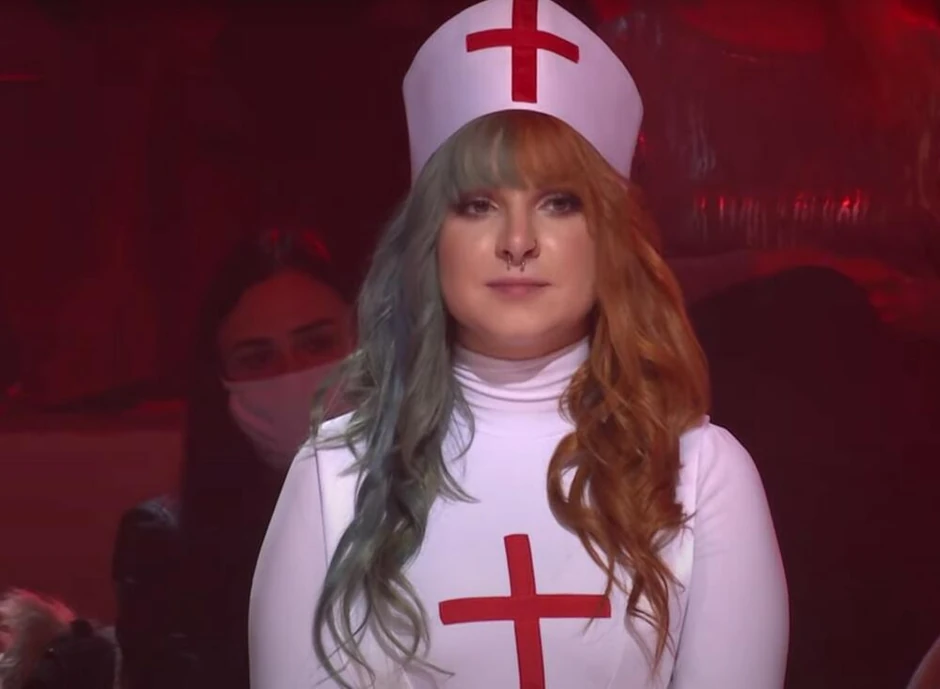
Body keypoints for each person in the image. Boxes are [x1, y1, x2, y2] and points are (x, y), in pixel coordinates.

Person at [249, 1, 788, 688]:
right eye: (477, 204)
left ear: (610, 236)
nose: (517, 241)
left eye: (559, 201)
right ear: (430, 240)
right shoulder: (335, 477)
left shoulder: (700, 474)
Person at [112, 227, 354, 689]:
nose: (293, 376)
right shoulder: (165, 543)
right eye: (258, 359)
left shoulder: (434, 506)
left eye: (317, 343)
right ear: (220, 380)